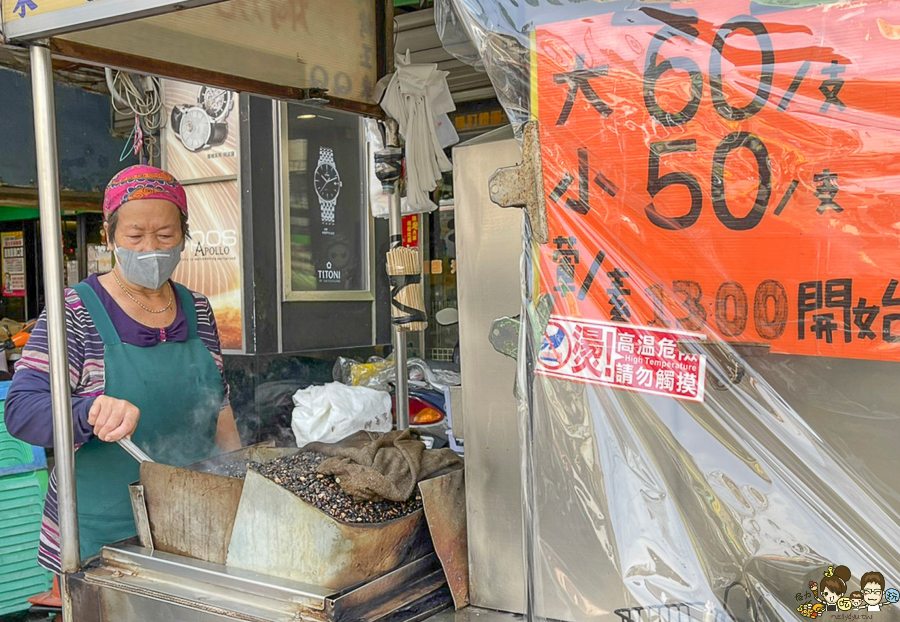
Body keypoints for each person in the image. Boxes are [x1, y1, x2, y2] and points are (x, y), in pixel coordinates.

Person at [5, 165, 241, 573]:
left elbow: (216, 403)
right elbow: (22, 410)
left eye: (165, 235)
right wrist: (88, 411)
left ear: (183, 237)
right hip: (101, 533)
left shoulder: (198, 308)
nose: (151, 247)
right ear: (110, 237)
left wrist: (240, 477)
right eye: (135, 236)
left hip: (193, 520)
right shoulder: (73, 311)